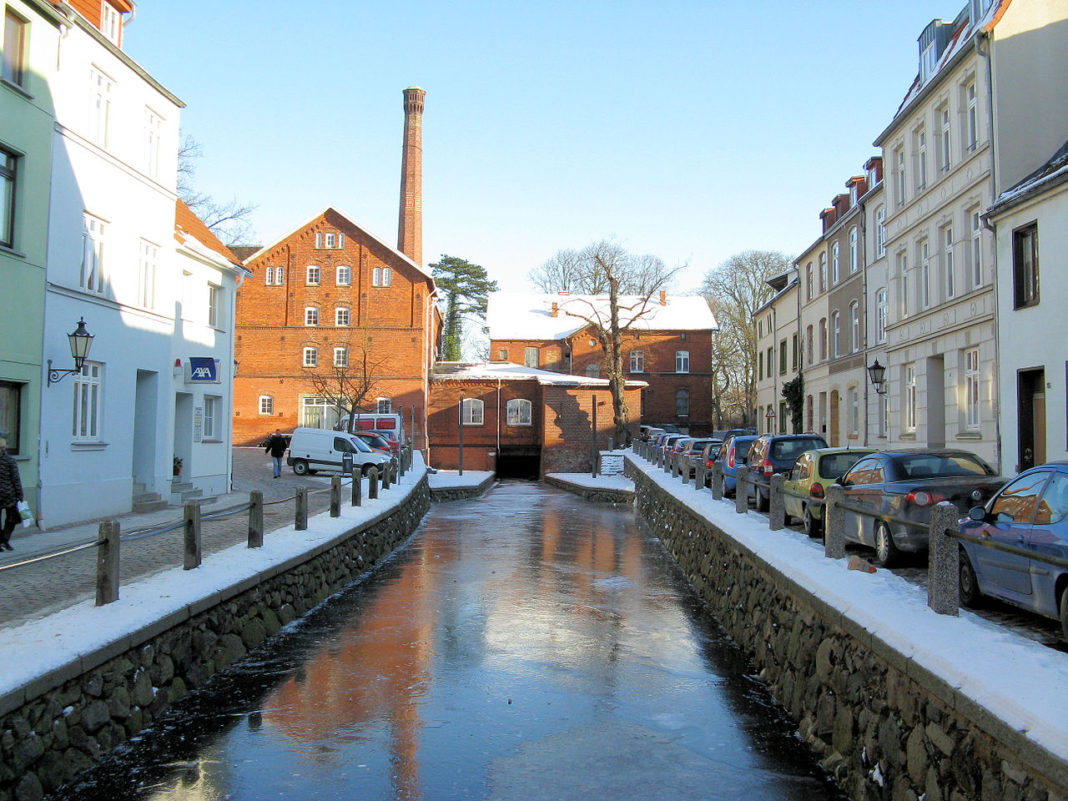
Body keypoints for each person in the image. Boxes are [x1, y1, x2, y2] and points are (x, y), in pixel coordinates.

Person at [0, 436, 24, 550]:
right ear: (4, 447)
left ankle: (1, 541)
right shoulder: (10, 460)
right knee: (12, 518)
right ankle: (5, 539)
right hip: (8, 494)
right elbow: (15, 479)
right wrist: (20, 494)